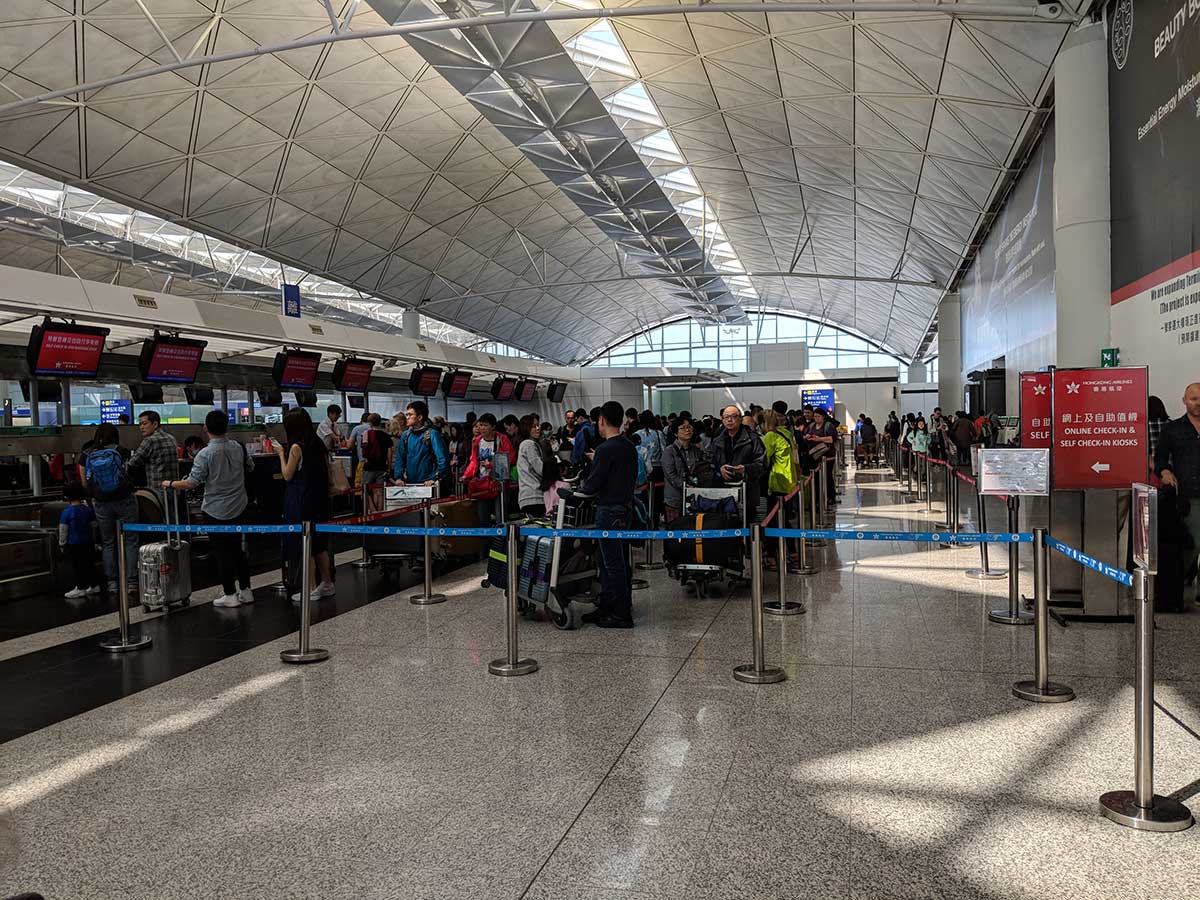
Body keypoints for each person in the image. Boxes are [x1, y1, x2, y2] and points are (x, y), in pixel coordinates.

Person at [164, 410, 254, 608]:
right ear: (227, 427)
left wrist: (170, 483)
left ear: (206, 429)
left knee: (221, 552)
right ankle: (246, 591)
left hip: (216, 509)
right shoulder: (238, 447)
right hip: (240, 505)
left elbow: (192, 483)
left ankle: (230, 593)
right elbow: (251, 466)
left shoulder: (205, 454)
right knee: (237, 549)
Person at [576, 401, 637, 628]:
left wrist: (577, 491)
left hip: (608, 510)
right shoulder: (628, 446)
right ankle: (611, 606)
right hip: (625, 509)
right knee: (615, 559)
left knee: (611, 563)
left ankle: (620, 614)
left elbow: (593, 485)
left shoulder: (605, 449)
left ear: (602, 420)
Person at [276, 409, 334, 603]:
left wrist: (279, 454)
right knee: (319, 545)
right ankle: (327, 583)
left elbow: (287, 475)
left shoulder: (296, 447)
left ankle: (310, 588)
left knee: (305, 544)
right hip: (320, 500)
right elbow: (328, 470)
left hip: (301, 501)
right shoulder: (318, 444)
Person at [84, 423, 139, 596]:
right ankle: (132, 582)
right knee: (131, 540)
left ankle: (112, 583)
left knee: (108, 542)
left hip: (101, 502)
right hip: (124, 499)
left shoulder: (88, 454)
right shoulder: (122, 451)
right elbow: (128, 473)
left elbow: (86, 482)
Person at [711, 405, 767, 519]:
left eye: (733, 416)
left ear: (741, 419)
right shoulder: (717, 441)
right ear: (722, 420)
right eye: (726, 417)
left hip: (747, 492)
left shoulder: (753, 439)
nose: (729, 420)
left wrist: (745, 469)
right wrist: (719, 469)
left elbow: (762, 464)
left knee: (747, 526)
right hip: (722, 493)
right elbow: (710, 464)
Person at [463, 412, 514, 526]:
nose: (482, 428)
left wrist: (491, 465)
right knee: (482, 518)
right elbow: (474, 460)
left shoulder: (502, 439)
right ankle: (486, 542)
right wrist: (466, 475)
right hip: (481, 484)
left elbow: (510, 459)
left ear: (493, 426)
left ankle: (501, 542)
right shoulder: (477, 441)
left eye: (485, 425)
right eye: (480, 425)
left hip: (498, 484)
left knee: (500, 518)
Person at [128, 410, 179, 516]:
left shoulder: (150, 441)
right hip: (174, 488)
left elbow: (133, 462)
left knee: (158, 522)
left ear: (155, 424)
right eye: (140, 424)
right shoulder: (171, 438)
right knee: (173, 519)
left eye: (144, 423)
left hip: (157, 490)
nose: (141, 427)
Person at [393, 400, 449, 487]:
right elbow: (400, 458)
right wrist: (398, 477)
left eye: (410, 415)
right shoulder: (406, 435)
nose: (407, 417)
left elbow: (442, 459)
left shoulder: (432, 434)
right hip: (409, 483)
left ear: (419, 417)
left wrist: (434, 478)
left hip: (428, 484)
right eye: (406, 414)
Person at [59, 481, 99, 598]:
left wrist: (62, 544)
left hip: (74, 544)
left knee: (78, 566)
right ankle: (94, 585)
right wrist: (96, 541)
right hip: (89, 542)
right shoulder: (88, 510)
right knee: (89, 564)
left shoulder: (66, 512)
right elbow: (94, 526)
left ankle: (81, 587)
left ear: (66, 496)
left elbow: (63, 530)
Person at [661, 418, 700, 523]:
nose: (687, 430)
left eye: (689, 427)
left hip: (693, 497)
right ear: (675, 433)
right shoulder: (669, 451)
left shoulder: (696, 450)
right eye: (682, 428)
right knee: (675, 530)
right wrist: (685, 486)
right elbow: (670, 475)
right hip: (675, 499)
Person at [515, 414, 554, 517]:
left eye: (538, 425)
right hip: (534, 496)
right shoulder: (528, 444)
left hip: (528, 497)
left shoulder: (528, 444)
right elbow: (540, 468)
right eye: (533, 426)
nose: (538, 428)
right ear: (525, 428)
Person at [803, 407, 839, 506]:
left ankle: (830, 497)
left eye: (818, 416)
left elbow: (832, 439)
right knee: (816, 478)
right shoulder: (811, 426)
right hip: (815, 456)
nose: (816, 418)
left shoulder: (829, 426)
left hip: (827, 456)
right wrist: (807, 437)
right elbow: (805, 435)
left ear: (823, 416)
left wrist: (819, 439)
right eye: (815, 416)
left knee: (827, 476)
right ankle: (818, 497)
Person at [360, 413, 393, 511]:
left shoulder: (366, 434)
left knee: (365, 490)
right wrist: (389, 466)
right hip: (382, 467)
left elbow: (364, 452)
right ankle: (380, 513)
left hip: (369, 467)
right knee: (379, 491)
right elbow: (389, 453)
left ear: (369, 422)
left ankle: (372, 511)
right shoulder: (386, 436)